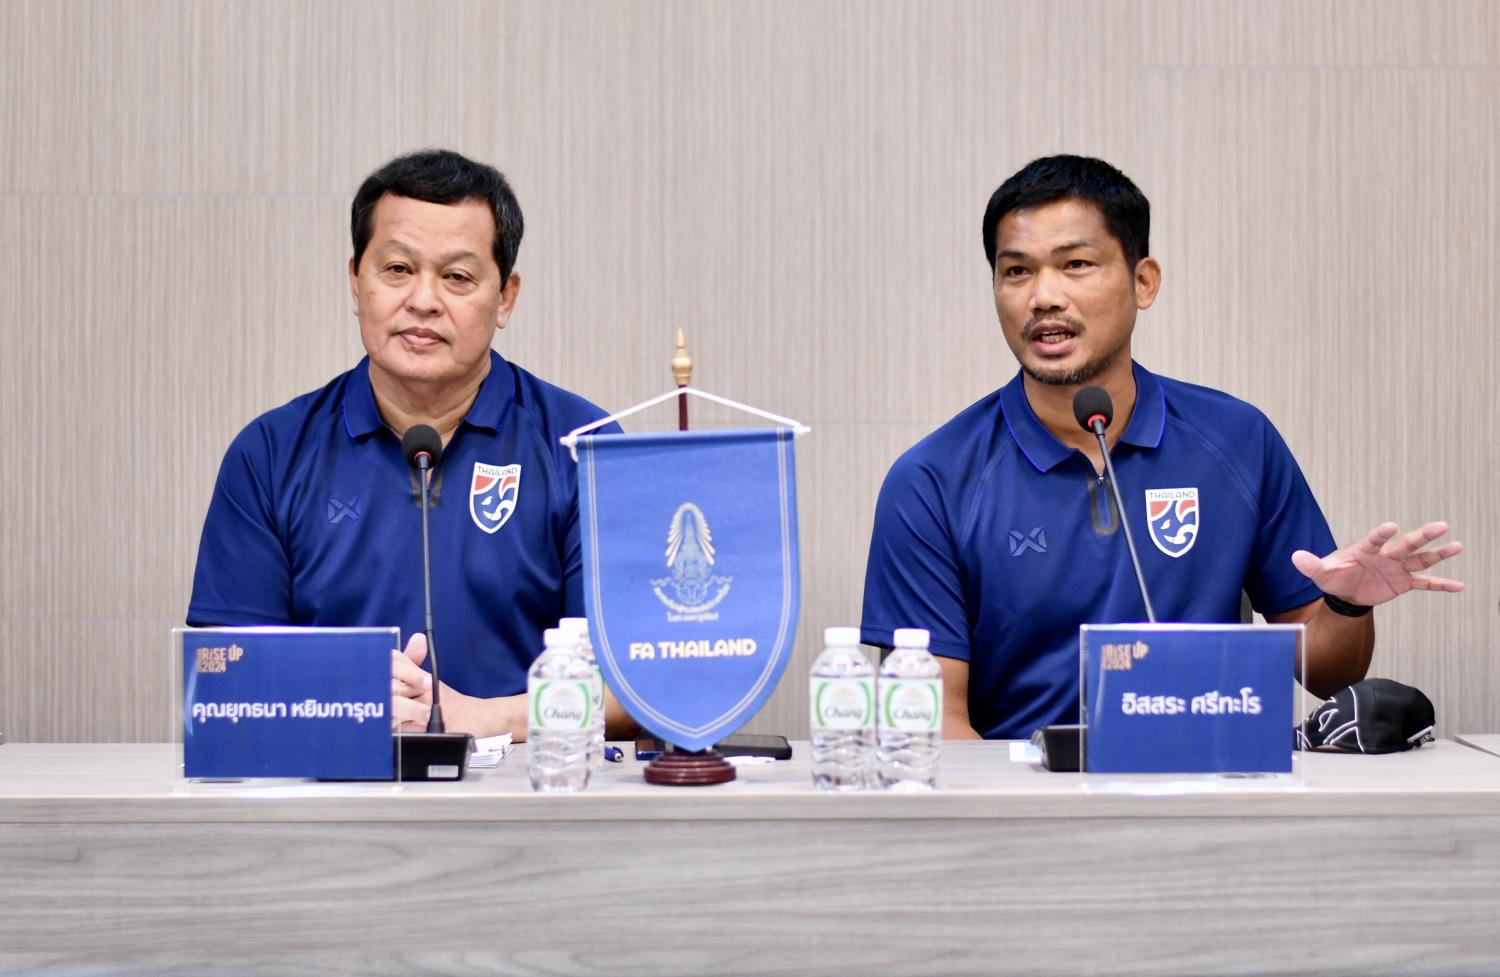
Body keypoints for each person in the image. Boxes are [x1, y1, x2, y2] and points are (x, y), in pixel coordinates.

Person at [860, 155, 1463, 740]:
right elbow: (933, 729)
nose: (1043, 296)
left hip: (1210, 801)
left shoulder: (1236, 439)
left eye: (1075, 265)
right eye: (1016, 271)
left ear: (1143, 282)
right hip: (1028, 818)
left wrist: (1347, 606)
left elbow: (1329, 673)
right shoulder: (934, 479)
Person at [188, 149, 629, 739]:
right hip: (327, 810)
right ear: (355, 281)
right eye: (397, 269)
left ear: (506, 298)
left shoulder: (584, 448)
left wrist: (481, 718)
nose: (423, 300)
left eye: (457, 277)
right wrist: (347, 701)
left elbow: (639, 689)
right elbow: (223, 677)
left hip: (527, 807)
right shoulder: (270, 455)